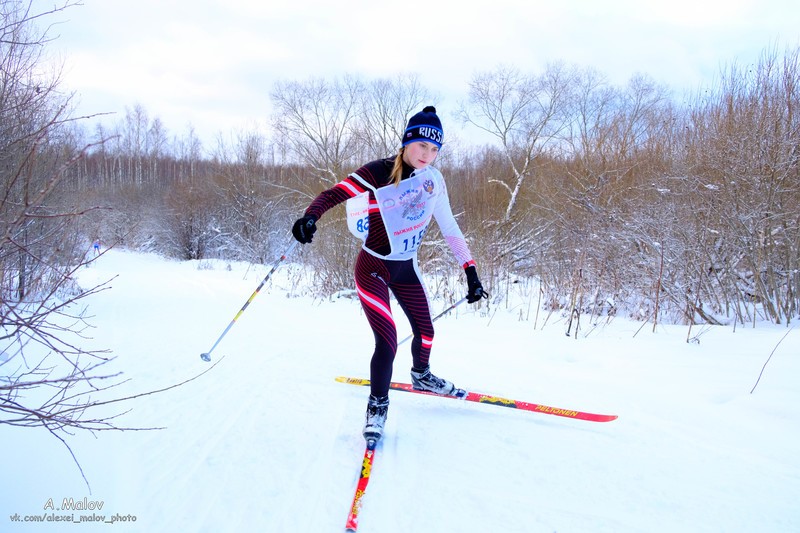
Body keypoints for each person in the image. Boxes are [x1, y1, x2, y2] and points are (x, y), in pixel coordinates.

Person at [292, 106, 487, 442]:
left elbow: (450, 226)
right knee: (387, 340)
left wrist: (470, 270)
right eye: (421, 146)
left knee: (426, 332)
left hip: (406, 268)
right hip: (374, 268)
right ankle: (377, 405)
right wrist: (310, 217)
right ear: (406, 143)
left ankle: (422, 375)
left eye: (434, 149)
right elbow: (333, 195)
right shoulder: (377, 173)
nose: (427, 155)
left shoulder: (433, 180)